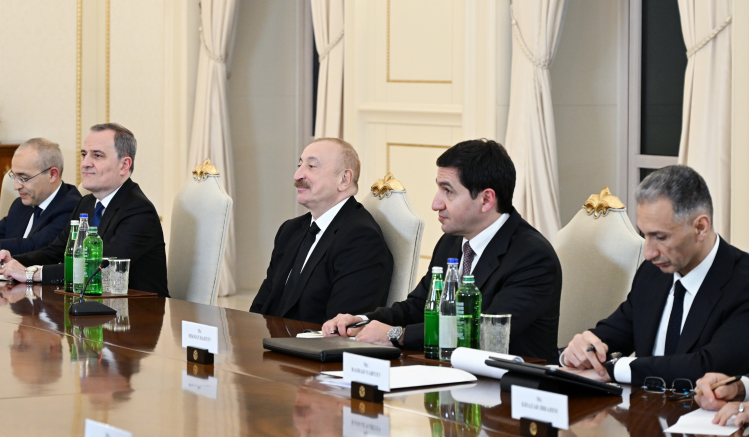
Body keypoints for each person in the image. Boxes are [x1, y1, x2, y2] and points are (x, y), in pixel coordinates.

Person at [323, 139, 563, 363]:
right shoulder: (451, 241)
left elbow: (481, 332)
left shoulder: (532, 256)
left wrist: (397, 334)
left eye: (448, 191)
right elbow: (417, 307)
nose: (435, 204)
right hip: (449, 374)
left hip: (511, 385)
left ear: (486, 200)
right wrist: (363, 321)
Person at [561, 165, 749, 385]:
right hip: (641, 405)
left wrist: (615, 369)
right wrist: (579, 352)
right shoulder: (653, 272)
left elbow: (707, 367)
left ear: (700, 227)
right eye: (645, 235)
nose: (648, 253)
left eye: (660, 237)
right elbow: (613, 335)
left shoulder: (743, 282)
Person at [0, 123, 168, 297]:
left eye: (97, 155)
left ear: (124, 165)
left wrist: (30, 274)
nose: (85, 163)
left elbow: (99, 268)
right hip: (92, 305)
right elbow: (55, 252)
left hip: (136, 310)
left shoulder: (138, 210)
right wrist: (13, 261)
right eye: (84, 154)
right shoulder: (86, 203)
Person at [250, 138, 393, 324]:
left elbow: (340, 327)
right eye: (299, 165)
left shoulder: (361, 239)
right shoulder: (290, 230)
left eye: (311, 166)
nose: (297, 175)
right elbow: (261, 307)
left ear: (344, 179)